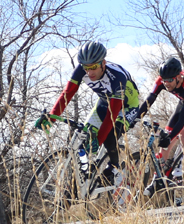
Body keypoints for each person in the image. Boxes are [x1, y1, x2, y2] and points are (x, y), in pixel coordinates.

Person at [35, 41, 141, 184]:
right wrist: (52, 118)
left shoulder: (117, 77)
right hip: (103, 104)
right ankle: (80, 182)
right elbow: (68, 93)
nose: (89, 72)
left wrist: (99, 138)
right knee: (83, 137)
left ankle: (114, 167)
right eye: (86, 68)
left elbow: (112, 116)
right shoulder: (81, 70)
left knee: (110, 136)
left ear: (103, 63)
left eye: (93, 67)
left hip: (126, 107)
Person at [124, 57, 184, 193]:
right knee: (164, 146)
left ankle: (183, 166)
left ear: (179, 77)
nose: (166, 83)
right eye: (164, 80)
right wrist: (136, 118)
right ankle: (157, 180)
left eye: (170, 80)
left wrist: (170, 136)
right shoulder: (162, 80)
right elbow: (150, 99)